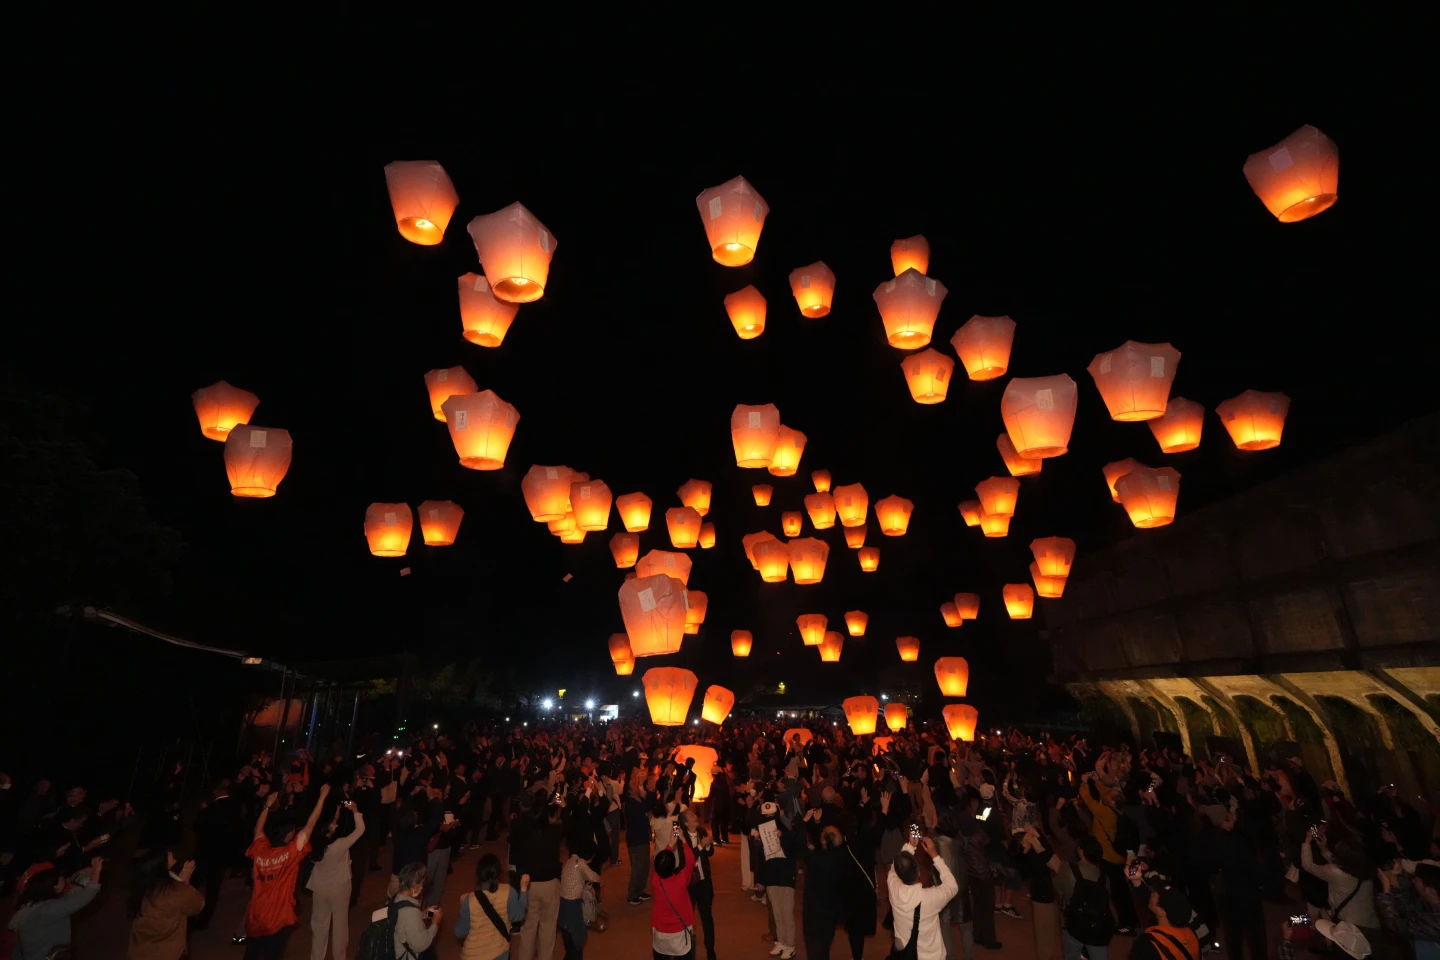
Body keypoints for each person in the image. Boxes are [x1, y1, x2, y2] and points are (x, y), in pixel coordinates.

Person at [242, 782, 330, 960]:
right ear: (289, 835)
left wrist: (267, 806)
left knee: (250, 955)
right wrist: (322, 798)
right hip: (278, 919)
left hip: (256, 915)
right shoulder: (290, 854)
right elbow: (310, 826)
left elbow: (257, 830)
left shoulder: (260, 850)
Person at [7, 859, 103, 960]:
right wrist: (96, 872)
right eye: (61, 878)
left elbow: (68, 897)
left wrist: (82, 876)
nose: (64, 879)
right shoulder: (49, 908)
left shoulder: (34, 902)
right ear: (54, 887)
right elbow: (84, 897)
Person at [307, 800, 365, 960]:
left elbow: (330, 823)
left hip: (319, 888)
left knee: (319, 925)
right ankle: (339, 957)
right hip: (339, 888)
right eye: (332, 826)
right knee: (340, 926)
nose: (335, 825)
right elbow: (360, 829)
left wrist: (337, 809)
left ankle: (316, 957)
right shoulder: (339, 845)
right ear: (327, 832)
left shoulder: (315, 845)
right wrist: (355, 810)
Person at [887, 833, 960, 960]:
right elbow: (952, 886)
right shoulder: (929, 897)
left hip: (904, 952)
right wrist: (935, 856)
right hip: (930, 956)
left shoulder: (892, 885)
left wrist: (910, 846)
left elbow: (895, 866)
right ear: (919, 873)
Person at [127, 848, 205, 960]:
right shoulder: (172, 891)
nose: (172, 856)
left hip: (139, 952)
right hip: (167, 953)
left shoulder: (144, 887)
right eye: (168, 856)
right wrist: (184, 883)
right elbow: (198, 905)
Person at [511, 796, 562, 960]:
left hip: (528, 884)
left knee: (528, 928)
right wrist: (564, 808)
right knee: (548, 928)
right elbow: (569, 826)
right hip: (549, 884)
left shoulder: (523, 834)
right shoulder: (553, 833)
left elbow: (516, 859)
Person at [456, 853, 530, 960]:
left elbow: (460, 932)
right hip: (500, 953)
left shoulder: (469, 900)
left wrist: (462, 907)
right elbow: (518, 916)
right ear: (499, 872)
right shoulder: (508, 891)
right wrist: (523, 888)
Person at [753, 800, 800, 958]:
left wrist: (783, 837)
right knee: (777, 913)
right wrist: (760, 880)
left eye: (771, 816)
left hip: (786, 877)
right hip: (771, 876)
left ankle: (790, 944)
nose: (769, 819)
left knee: (786, 913)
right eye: (766, 816)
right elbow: (760, 859)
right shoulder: (761, 832)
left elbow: (795, 849)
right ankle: (780, 941)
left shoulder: (787, 831)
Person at [1057, 837, 1116, 960]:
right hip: (1097, 926)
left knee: (1071, 955)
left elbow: (1058, 890)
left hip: (1074, 921)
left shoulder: (1068, 868)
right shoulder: (1105, 878)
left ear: (1081, 851)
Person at [1376, 861, 1440, 960]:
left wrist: (1386, 890)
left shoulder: (1435, 921)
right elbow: (1408, 910)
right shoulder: (1430, 903)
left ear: (1430, 891)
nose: (1413, 881)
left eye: (1416, 879)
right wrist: (1394, 882)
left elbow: (1395, 926)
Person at [651, 831, 697, 959]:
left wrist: (670, 844)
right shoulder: (681, 881)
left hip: (660, 931)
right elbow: (690, 861)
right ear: (673, 867)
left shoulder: (655, 880)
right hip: (680, 932)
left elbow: (662, 862)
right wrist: (682, 839)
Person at [1128, 883, 1199, 960]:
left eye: (1157, 895)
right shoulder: (1191, 933)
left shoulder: (1147, 945)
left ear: (1162, 912)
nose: (1152, 894)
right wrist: (1138, 884)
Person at [680, 809, 715, 960]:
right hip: (688, 884)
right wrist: (701, 845)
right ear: (686, 823)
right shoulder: (680, 835)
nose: (696, 816)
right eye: (691, 816)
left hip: (703, 881)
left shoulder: (702, 830)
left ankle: (711, 950)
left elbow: (710, 852)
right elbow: (687, 858)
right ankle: (686, 951)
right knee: (686, 918)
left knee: (707, 917)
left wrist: (707, 845)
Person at [391, 861, 441, 960]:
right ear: (414, 885)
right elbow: (421, 944)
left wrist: (422, 915)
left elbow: (402, 921)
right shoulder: (410, 912)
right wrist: (435, 923)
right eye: (421, 884)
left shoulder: (396, 899)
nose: (422, 888)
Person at [624, 778, 655, 904]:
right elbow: (646, 807)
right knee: (637, 867)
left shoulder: (638, 800)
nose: (637, 786)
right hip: (635, 839)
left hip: (643, 836)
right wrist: (651, 792)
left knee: (645, 866)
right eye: (634, 785)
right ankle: (632, 895)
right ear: (630, 791)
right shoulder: (630, 803)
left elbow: (649, 805)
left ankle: (640, 891)